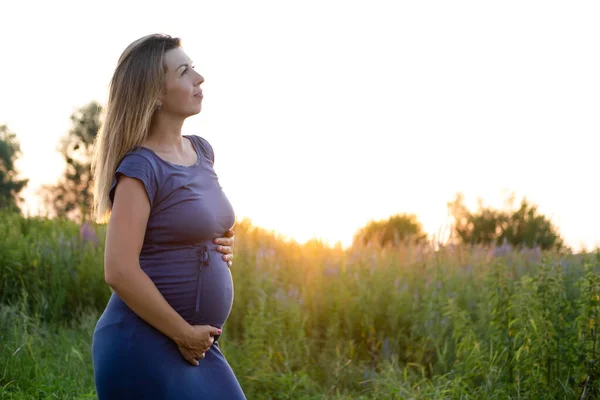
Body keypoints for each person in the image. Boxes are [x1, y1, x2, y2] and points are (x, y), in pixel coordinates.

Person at [90, 33, 246, 399]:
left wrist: (218, 243)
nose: (199, 78)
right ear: (155, 93)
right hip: (145, 343)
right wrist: (182, 333)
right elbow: (119, 269)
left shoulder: (202, 151)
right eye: (184, 71)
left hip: (197, 346)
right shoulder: (139, 167)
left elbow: (197, 219)